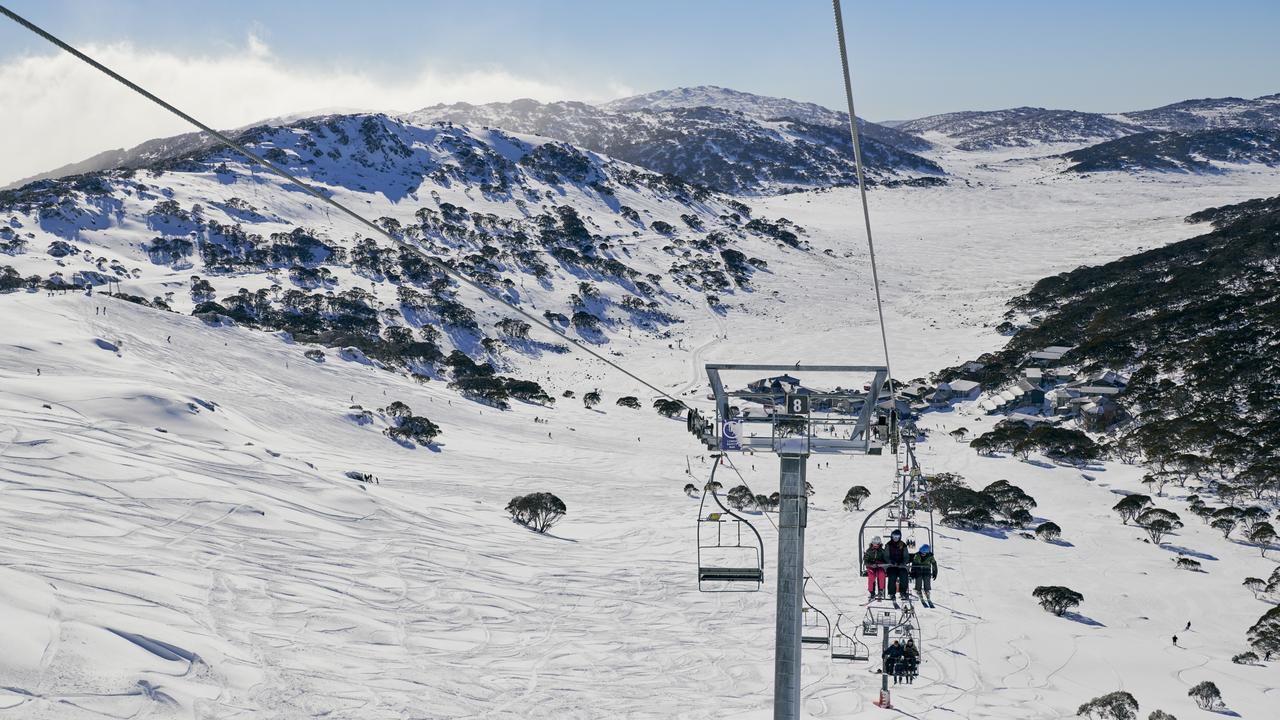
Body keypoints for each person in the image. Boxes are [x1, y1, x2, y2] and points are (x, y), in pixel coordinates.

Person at [885, 529, 911, 603]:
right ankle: (892, 593)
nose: (895, 538)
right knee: (892, 575)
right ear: (891, 536)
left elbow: (906, 556)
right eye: (894, 536)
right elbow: (886, 556)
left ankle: (903, 592)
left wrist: (903, 563)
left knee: (904, 574)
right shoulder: (888, 544)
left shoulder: (903, 545)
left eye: (897, 536)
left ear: (900, 537)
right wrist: (890, 562)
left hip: (901, 565)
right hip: (892, 566)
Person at [864, 537, 887, 601]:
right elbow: (865, 561)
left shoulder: (882, 551)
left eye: (877, 544)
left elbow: (886, 560)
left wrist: (881, 563)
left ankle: (881, 590)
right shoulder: (869, 551)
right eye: (874, 543)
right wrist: (870, 564)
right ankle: (872, 592)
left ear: (879, 544)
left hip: (880, 567)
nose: (875, 545)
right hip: (871, 567)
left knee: (881, 574)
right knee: (871, 576)